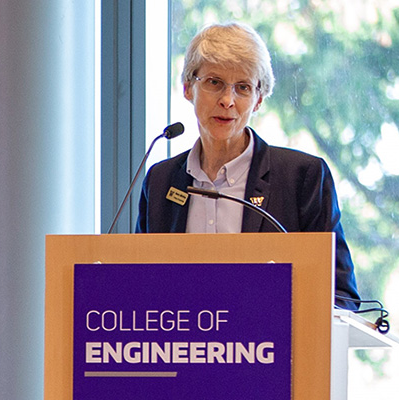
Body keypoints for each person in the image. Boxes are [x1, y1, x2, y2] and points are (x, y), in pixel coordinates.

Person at [135, 22, 360, 310]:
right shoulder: (161, 180)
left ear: (258, 100)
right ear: (189, 88)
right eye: (214, 82)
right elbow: (141, 287)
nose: (227, 101)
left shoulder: (301, 178)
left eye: (242, 88)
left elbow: (341, 297)